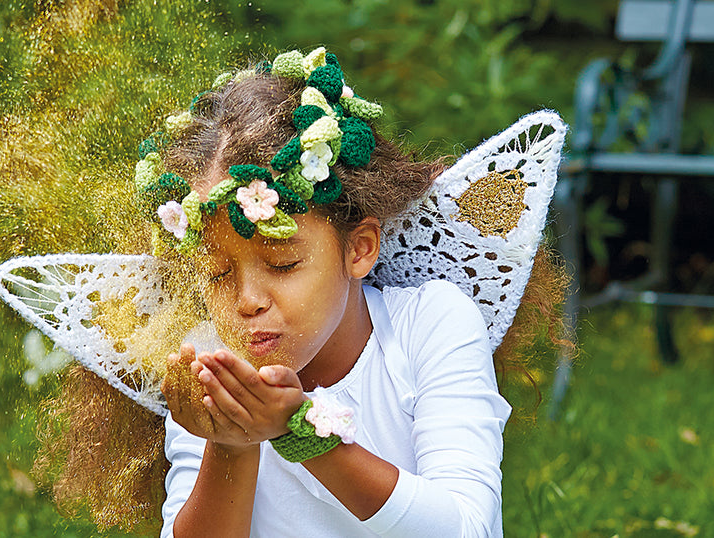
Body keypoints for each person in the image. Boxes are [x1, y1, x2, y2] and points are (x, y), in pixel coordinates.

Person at [32, 47, 567, 537]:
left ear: (357, 249)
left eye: (282, 264)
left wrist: (298, 432)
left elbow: (466, 527)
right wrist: (232, 442)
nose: (246, 302)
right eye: (217, 274)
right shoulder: (209, 365)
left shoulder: (431, 325)